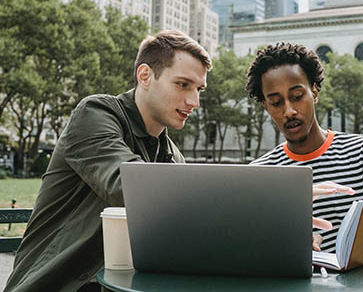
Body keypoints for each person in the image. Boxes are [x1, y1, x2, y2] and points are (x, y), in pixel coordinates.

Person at [5, 30, 212, 292]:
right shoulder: (95, 113)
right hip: (55, 283)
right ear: (145, 76)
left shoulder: (171, 154)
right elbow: (127, 187)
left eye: (199, 89)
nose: (194, 101)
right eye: (183, 84)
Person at [246, 42, 363, 275]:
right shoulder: (260, 172)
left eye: (297, 96)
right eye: (276, 102)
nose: (289, 110)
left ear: (314, 92)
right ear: (266, 106)